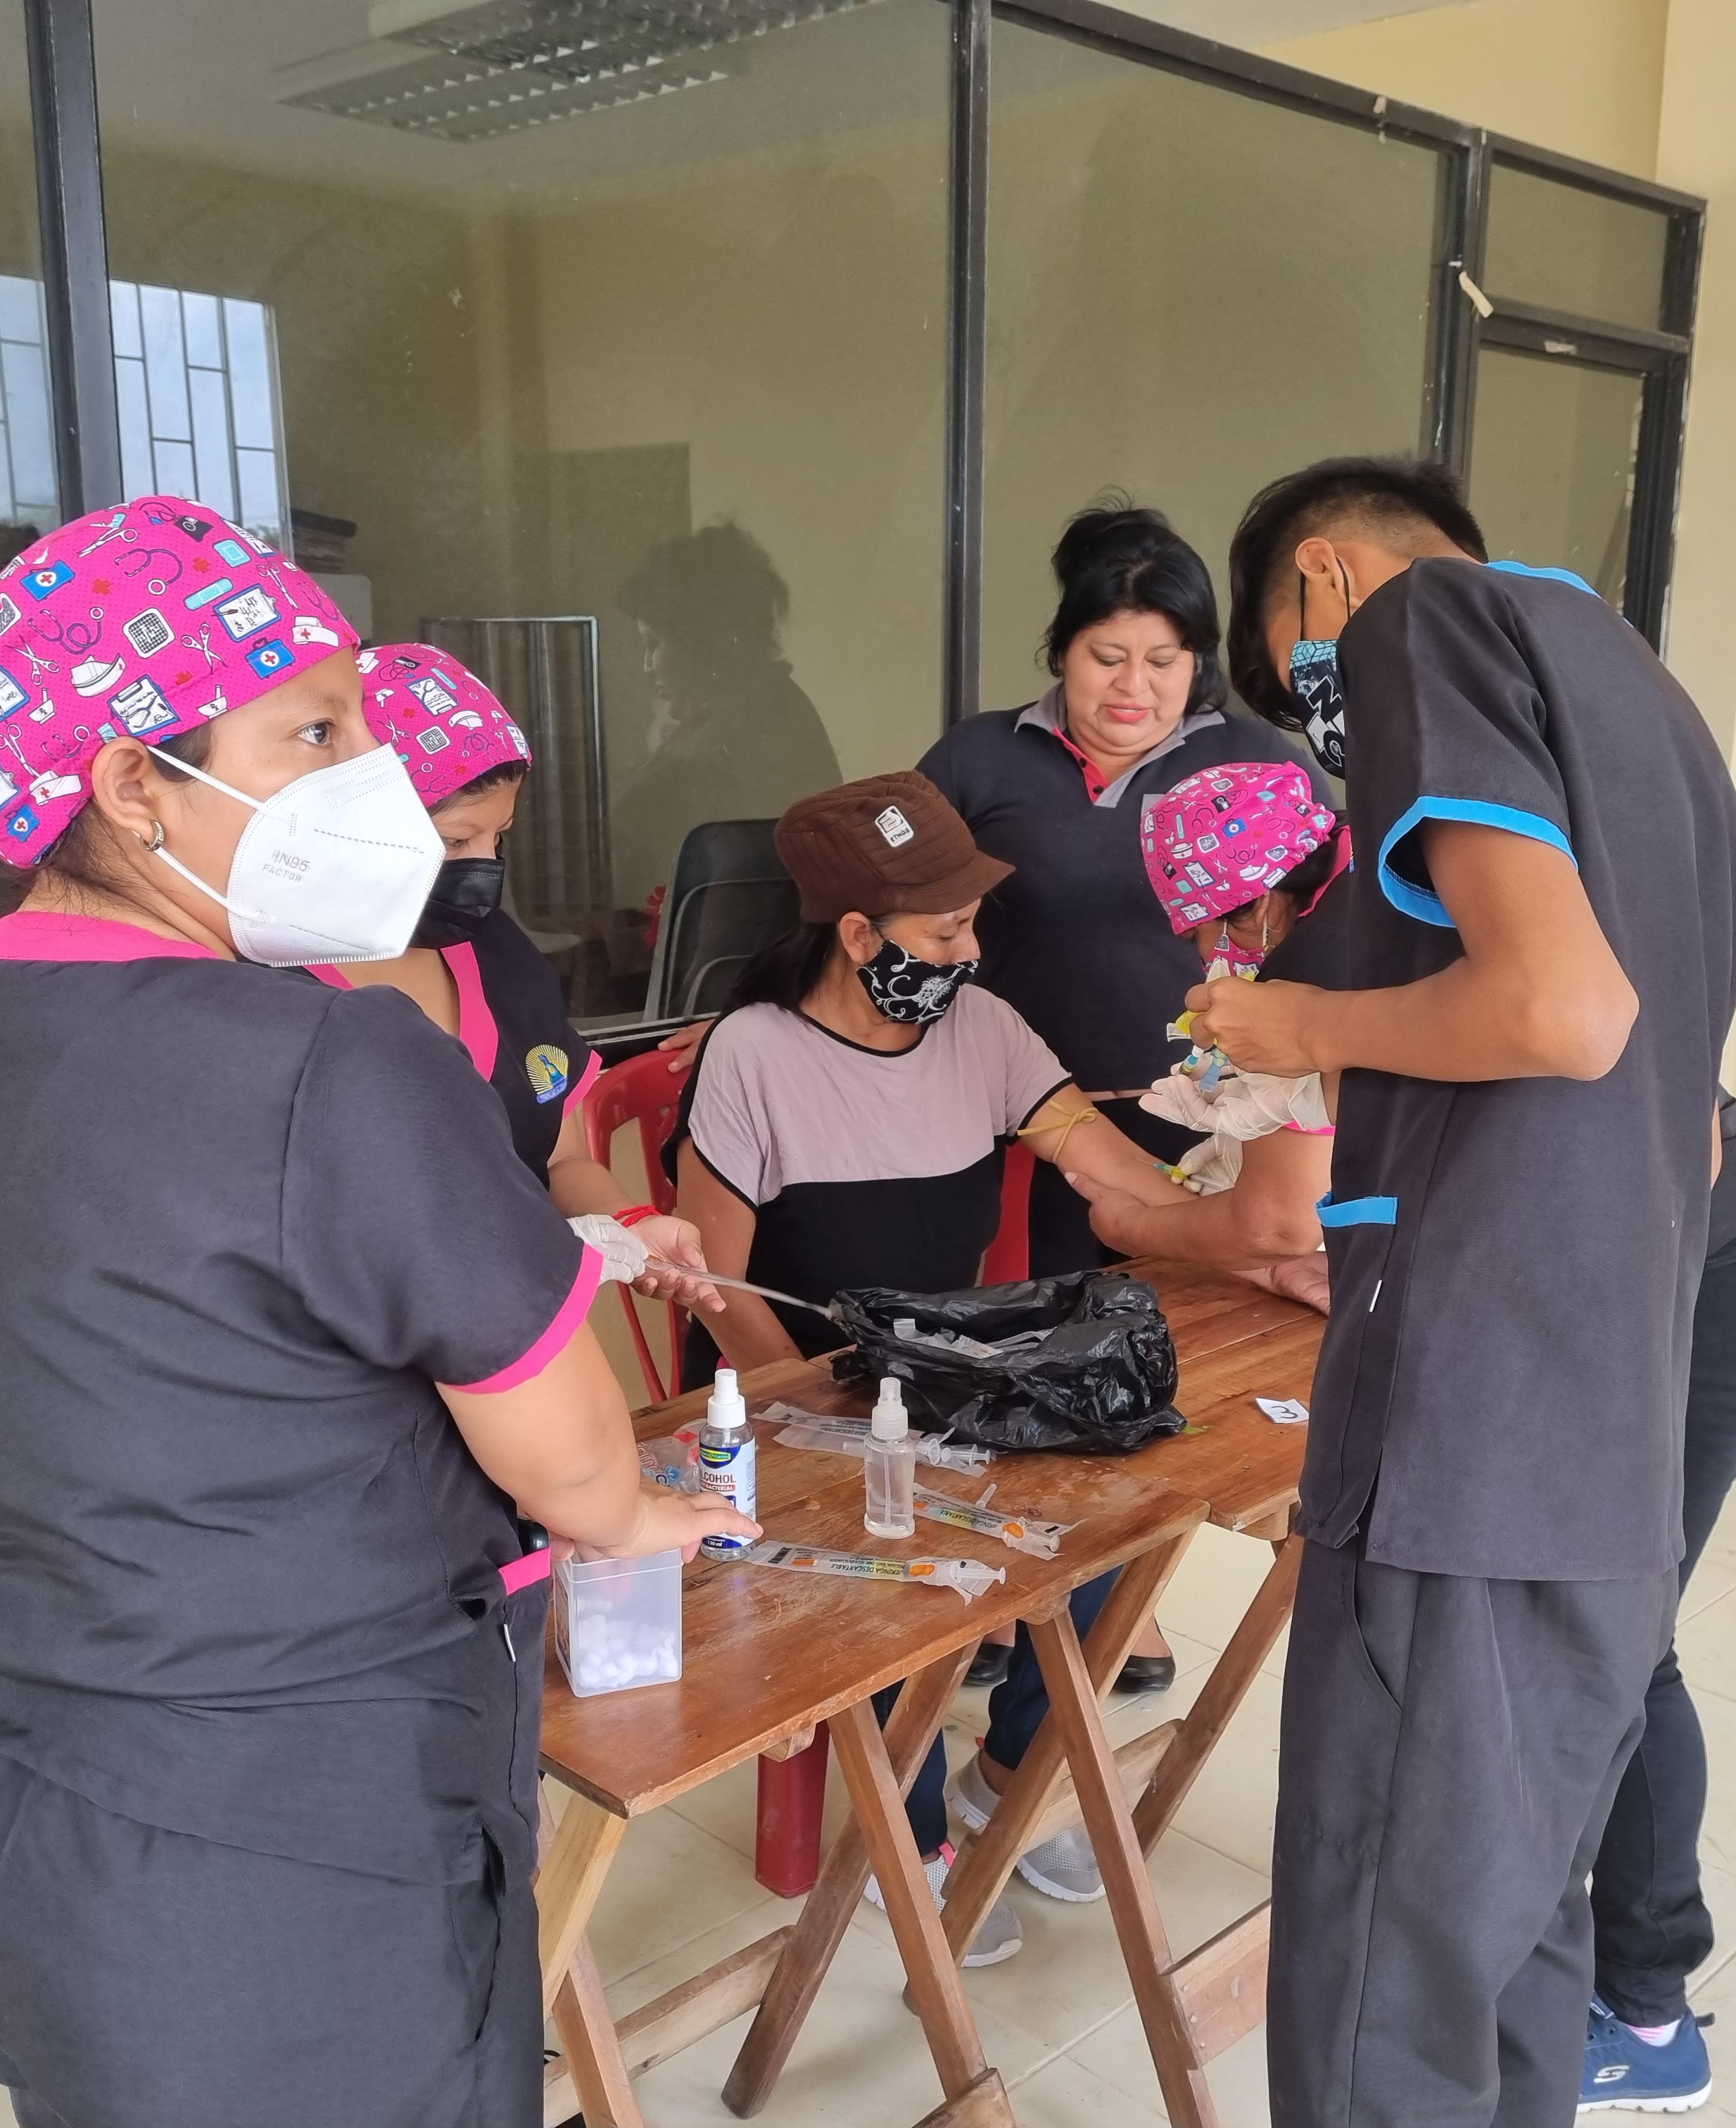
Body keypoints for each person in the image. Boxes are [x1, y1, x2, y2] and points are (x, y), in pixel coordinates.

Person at [0, 495, 754, 2128]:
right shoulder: (331, 1060)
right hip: (307, 1860)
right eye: (315, 733)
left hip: (43, 1821)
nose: (372, 777)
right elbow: (561, 1446)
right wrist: (632, 1511)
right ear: (132, 784)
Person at [1205, 456, 1736, 2128]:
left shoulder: (1427, 619)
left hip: (1471, 1422)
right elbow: (1671, 1102)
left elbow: (1562, 1014)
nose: (1327, 727)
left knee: (1382, 1977)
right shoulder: (1645, 694)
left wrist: (1302, 1028)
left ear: (1323, 576)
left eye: (1293, 673)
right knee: (1511, 1928)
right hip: (1606, 1413)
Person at [673, 771, 1216, 1958]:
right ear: (855, 935)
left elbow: (1113, 1174)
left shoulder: (984, 1029)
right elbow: (719, 1289)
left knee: (1124, 1524)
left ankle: (1007, 1773)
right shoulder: (752, 1052)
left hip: (945, 1382)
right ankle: (904, 1830)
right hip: (798, 1395)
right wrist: (826, 1418)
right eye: (944, 931)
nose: (969, 950)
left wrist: (1254, 1234)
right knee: (888, 1562)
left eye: (972, 923)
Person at [917, 502, 1322, 1279]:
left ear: (1197, 661)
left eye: (1164, 661)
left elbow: (1319, 919)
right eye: (1107, 656)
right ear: (1062, 650)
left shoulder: (1256, 767)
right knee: (1031, 1315)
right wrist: (779, 1006)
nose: (1134, 686)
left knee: (1205, 1319)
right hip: (1017, 1122)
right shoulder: (979, 758)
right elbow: (881, 903)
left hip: (1213, 1120)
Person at [327, 641, 720, 1321]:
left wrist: (629, 1223)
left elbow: (560, 1162)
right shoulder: (270, 992)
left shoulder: (499, 961)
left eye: (499, 837)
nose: (484, 868)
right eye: (456, 841)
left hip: (512, 1335)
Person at [1580, 1092, 1736, 2112]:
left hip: (1708, 1279)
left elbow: (1285, 1218)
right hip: (1653, 1269)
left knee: (1624, 1644)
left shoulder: (1564, 1005)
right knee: (1596, 1635)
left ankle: (1647, 2021)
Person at [1063, 759, 1349, 1286]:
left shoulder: (1305, 976)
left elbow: (1278, 1228)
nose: (1202, 955)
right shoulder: (1362, 868)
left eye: (1197, 929)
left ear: (1259, 906)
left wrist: (1129, 1228)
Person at [610, 522, 842, 911]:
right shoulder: (768, 706)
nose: (648, 666)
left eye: (654, 643)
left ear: (704, 640)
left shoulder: (745, 732)